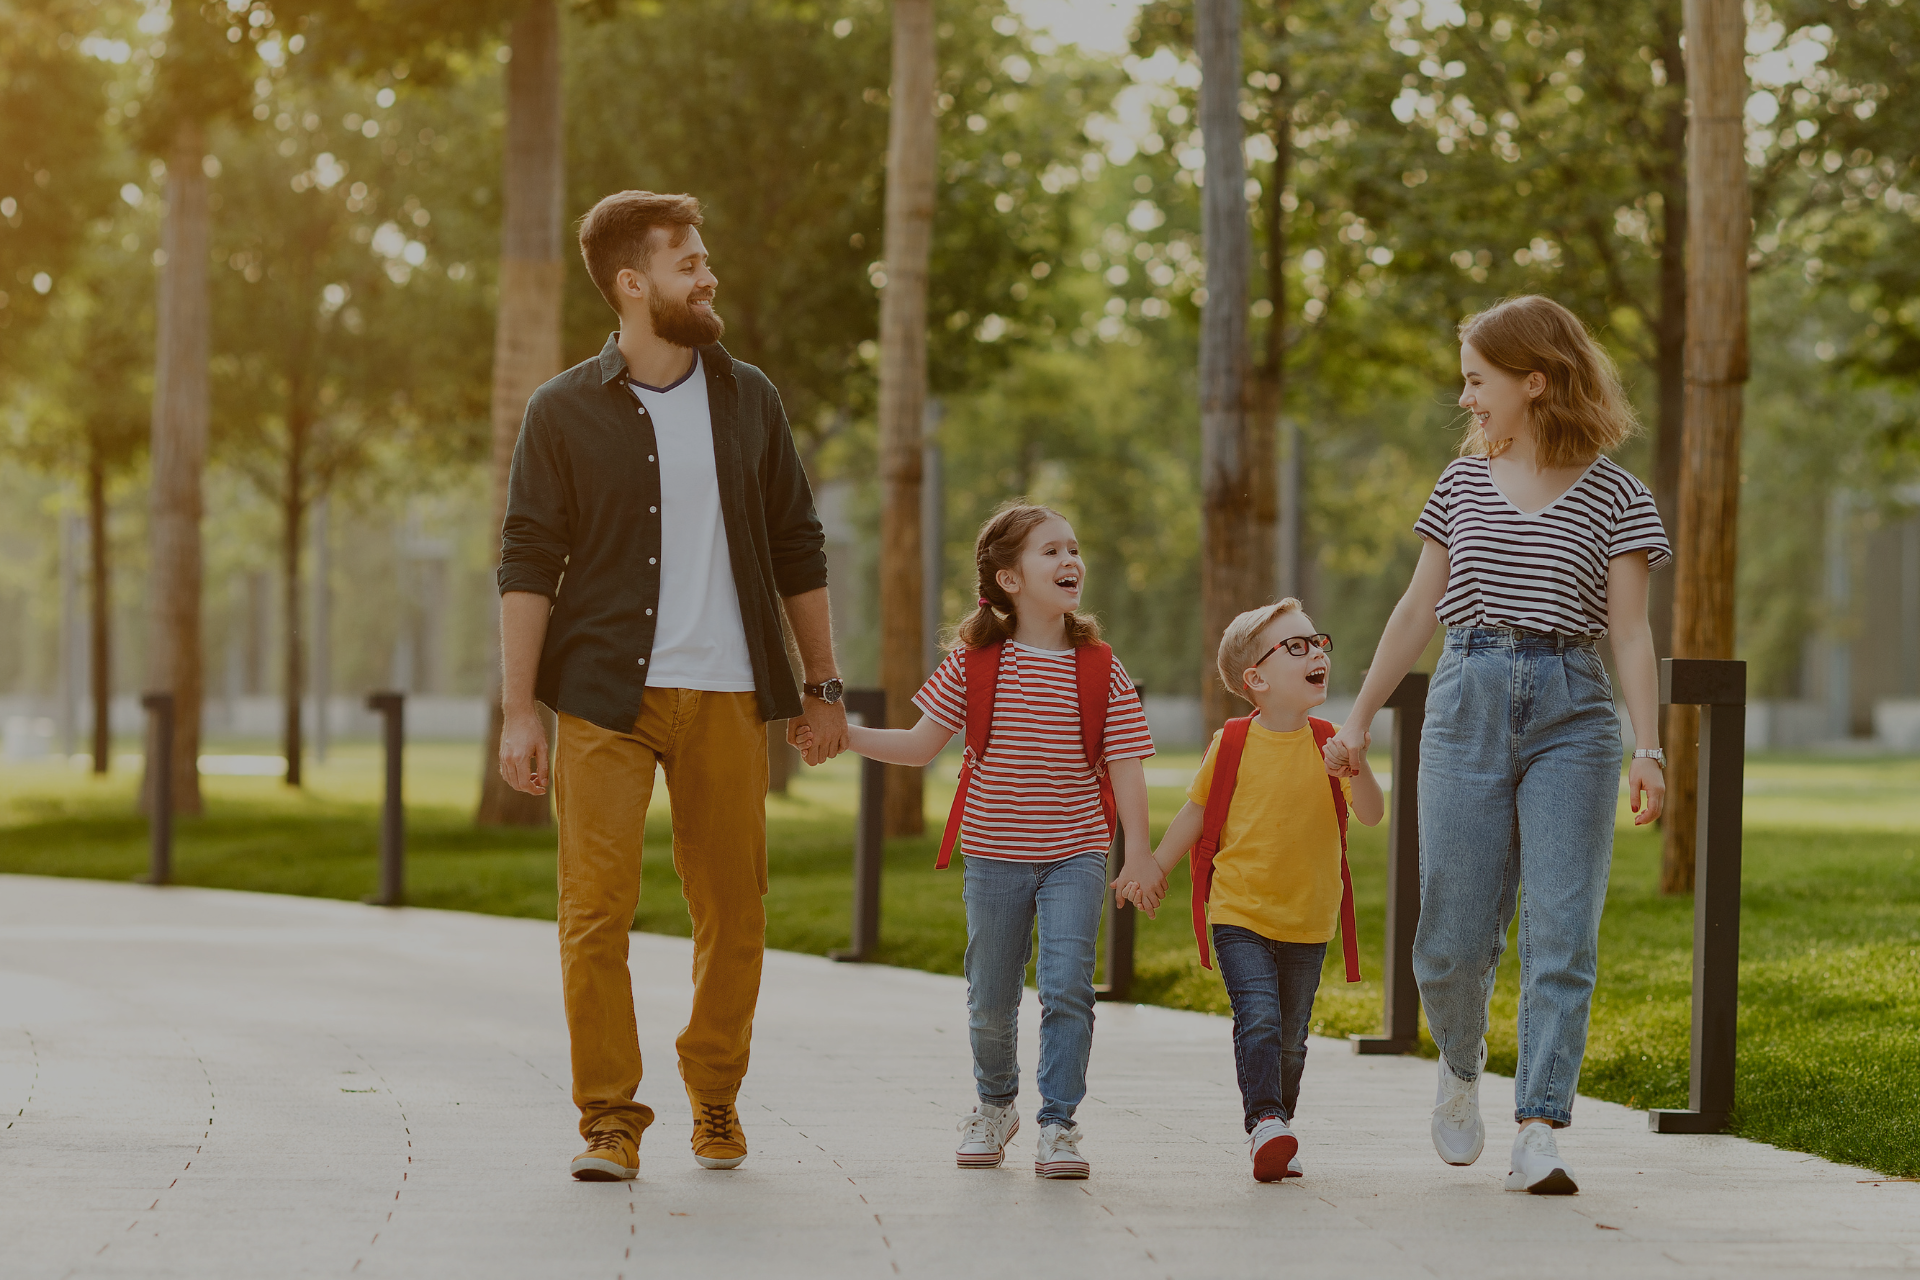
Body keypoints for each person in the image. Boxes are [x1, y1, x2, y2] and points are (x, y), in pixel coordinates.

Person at [495, 190, 850, 1183]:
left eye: (705, 257)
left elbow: (798, 544)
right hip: (604, 697)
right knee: (594, 914)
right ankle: (609, 1118)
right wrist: (520, 709)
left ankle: (716, 1087)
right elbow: (527, 561)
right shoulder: (562, 409)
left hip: (731, 693)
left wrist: (824, 685)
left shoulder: (751, 399)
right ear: (631, 282)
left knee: (735, 913)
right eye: (688, 262)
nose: (709, 275)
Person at [1322, 295, 1669, 1196]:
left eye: (1478, 380)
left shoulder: (1619, 497)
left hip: (1574, 712)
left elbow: (1629, 635)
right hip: (1466, 696)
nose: (1467, 396)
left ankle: (1541, 1125)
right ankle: (1463, 1063)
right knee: (1448, 940)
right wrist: (1356, 719)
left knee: (1563, 931)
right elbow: (1414, 610)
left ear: (1534, 381)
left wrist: (1650, 747)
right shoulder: (1461, 482)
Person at [803, 503, 1153, 1179]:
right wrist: (843, 736)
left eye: (1073, 549)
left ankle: (1058, 1124)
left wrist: (1136, 851)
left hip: (1075, 854)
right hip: (993, 855)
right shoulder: (974, 662)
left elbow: (1127, 764)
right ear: (1009, 577)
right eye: (1050, 551)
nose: (1070, 561)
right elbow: (919, 743)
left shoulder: (1100, 667)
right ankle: (995, 1106)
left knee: (1067, 989)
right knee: (990, 997)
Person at [1115, 599, 1383, 1182]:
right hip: (1238, 909)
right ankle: (1265, 1120)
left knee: (1292, 1038)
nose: (1316, 653)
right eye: (1296, 646)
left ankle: (1277, 1126)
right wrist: (1154, 865)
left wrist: (1353, 769)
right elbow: (1196, 811)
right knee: (1259, 1019)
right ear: (1255, 679)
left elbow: (1371, 815)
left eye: (1318, 643)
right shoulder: (1232, 741)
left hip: (1309, 915)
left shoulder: (1333, 741)